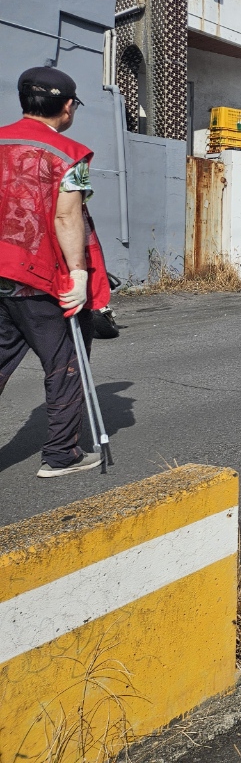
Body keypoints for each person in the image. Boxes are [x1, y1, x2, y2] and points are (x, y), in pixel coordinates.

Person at [0, 67, 112, 478]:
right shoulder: (72, 155)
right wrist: (79, 275)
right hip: (42, 279)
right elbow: (67, 218)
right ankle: (61, 455)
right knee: (65, 362)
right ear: (67, 107)